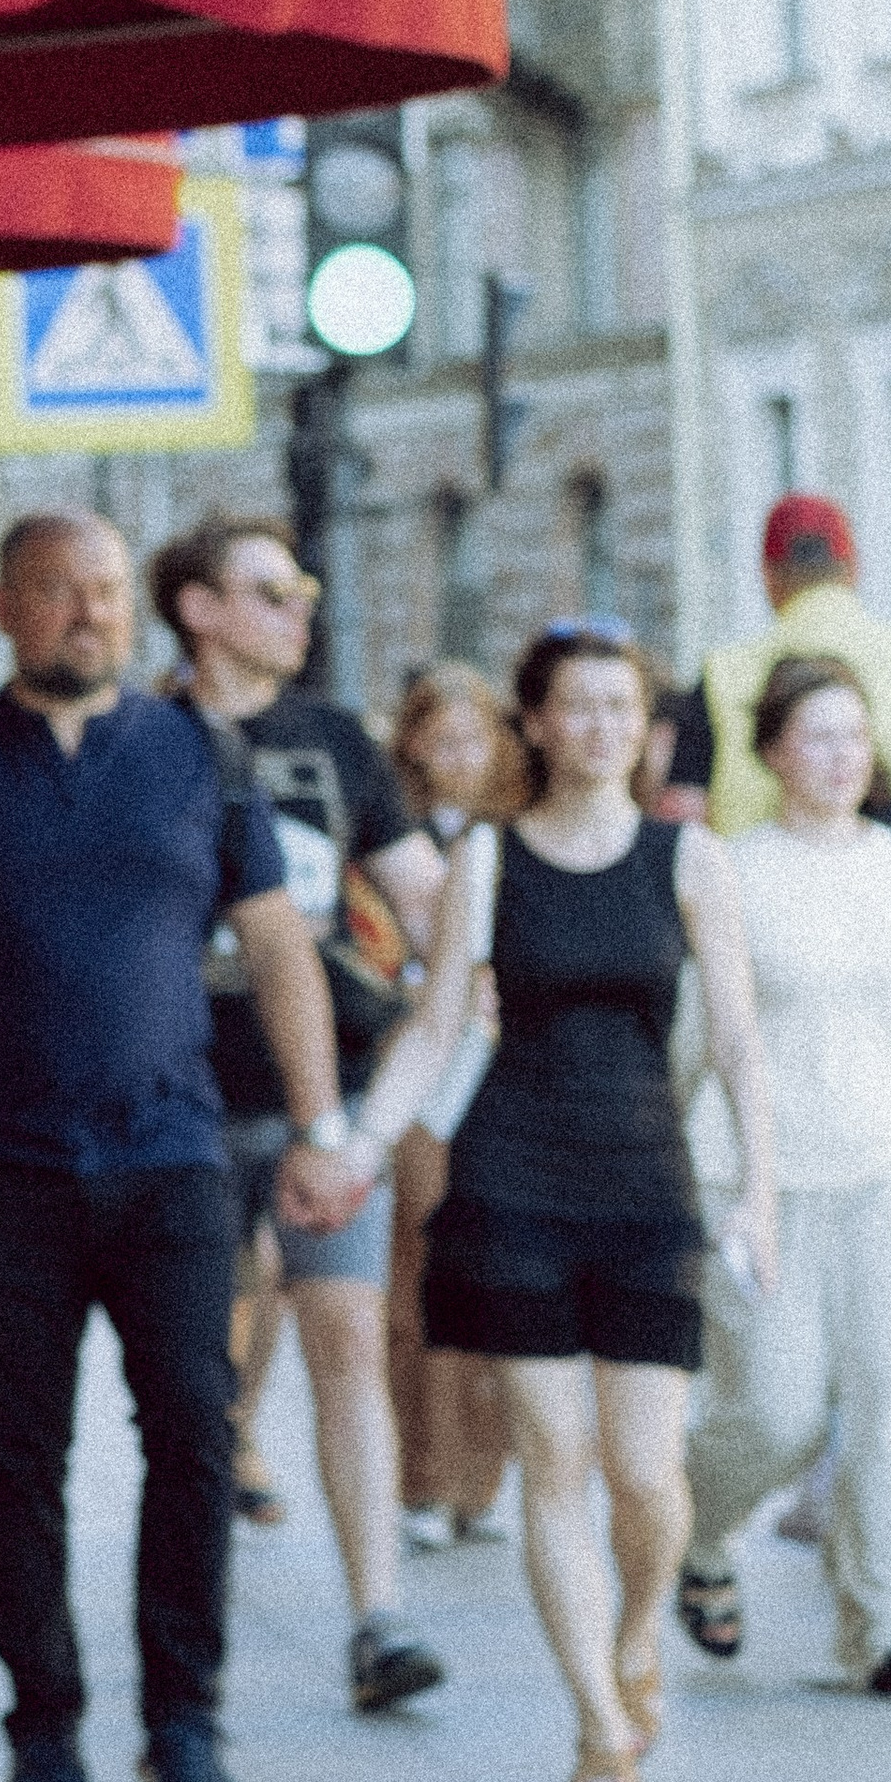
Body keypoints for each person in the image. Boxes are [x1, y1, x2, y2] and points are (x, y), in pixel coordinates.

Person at [0, 508, 352, 1782]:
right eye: (59, 592)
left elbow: (280, 945)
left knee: (191, 1429)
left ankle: (186, 1722)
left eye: (108, 592)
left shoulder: (198, 755)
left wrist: (319, 1122)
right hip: (0, 1163)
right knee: (18, 1451)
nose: (89, 613)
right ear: (6, 605)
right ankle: (43, 1727)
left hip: (172, 1157)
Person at [360, 623, 776, 1782]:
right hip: (514, 1182)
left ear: (644, 727)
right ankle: (596, 1717)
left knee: (647, 1477)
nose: (599, 727)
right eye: (575, 706)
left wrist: (759, 1192)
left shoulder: (687, 860)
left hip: (647, 1185)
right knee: (556, 1462)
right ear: (533, 723)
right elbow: (436, 1029)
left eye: (620, 707)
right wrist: (359, 1144)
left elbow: (741, 1042)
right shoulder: (489, 861)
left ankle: (638, 1632)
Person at [679, 656, 891, 1700]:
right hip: (763, 1171)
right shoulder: (728, 868)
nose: (838, 757)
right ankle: (698, 1539)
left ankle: (889, 1623)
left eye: (853, 736)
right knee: (773, 1409)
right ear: (774, 749)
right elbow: (699, 1032)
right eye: (816, 736)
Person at [150, 515, 450, 1718]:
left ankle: (379, 1617)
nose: (300, 612)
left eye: (303, 590)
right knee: (187, 1375)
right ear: (197, 609)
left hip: (320, 1107)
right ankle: (190, 1633)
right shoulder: (144, 738)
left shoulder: (333, 743)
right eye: (270, 592)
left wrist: (433, 1017)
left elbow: (427, 900)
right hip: (176, 1107)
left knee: (344, 1342)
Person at [657, 494, 891, 883]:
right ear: (853, 568)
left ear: (767, 576)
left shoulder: (722, 673)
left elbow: (682, 831)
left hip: (773, 906)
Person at [383, 665, 518, 1552]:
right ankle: (422, 1478)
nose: (459, 756)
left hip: (504, 1075)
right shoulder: (391, 840)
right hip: (421, 1077)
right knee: (422, 1277)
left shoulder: (521, 838)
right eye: (442, 739)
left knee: (505, 1281)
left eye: (476, 738)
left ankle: (484, 1479)